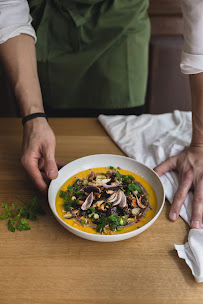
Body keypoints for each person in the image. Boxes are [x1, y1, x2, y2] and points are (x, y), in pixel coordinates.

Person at [0, 0, 203, 229]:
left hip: (120, 26)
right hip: (45, 30)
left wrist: (201, 145)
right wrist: (33, 117)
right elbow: (8, 5)